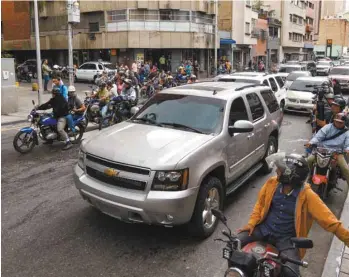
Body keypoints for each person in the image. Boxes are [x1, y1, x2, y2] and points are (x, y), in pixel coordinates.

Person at [237, 152, 349, 277]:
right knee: (234, 245)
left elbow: (330, 221)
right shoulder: (272, 183)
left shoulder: (307, 195)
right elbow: (260, 205)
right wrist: (251, 223)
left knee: (291, 273)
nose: (277, 170)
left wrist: (347, 239)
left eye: (281, 169)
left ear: (291, 175)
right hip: (263, 229)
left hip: (286, 240)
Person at [307, 112, 349, 187]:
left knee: (345, 169)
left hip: (336, 153)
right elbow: (318, 136)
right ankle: (307, 177)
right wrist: (311, 142)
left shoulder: (346, 132)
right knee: (309, 160)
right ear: (334, 120)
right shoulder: (327, 127)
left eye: (340, 122)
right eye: (336, 121)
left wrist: (347, 149)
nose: (338, 123)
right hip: (321, 150)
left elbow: (347, 144)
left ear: (344, 123)